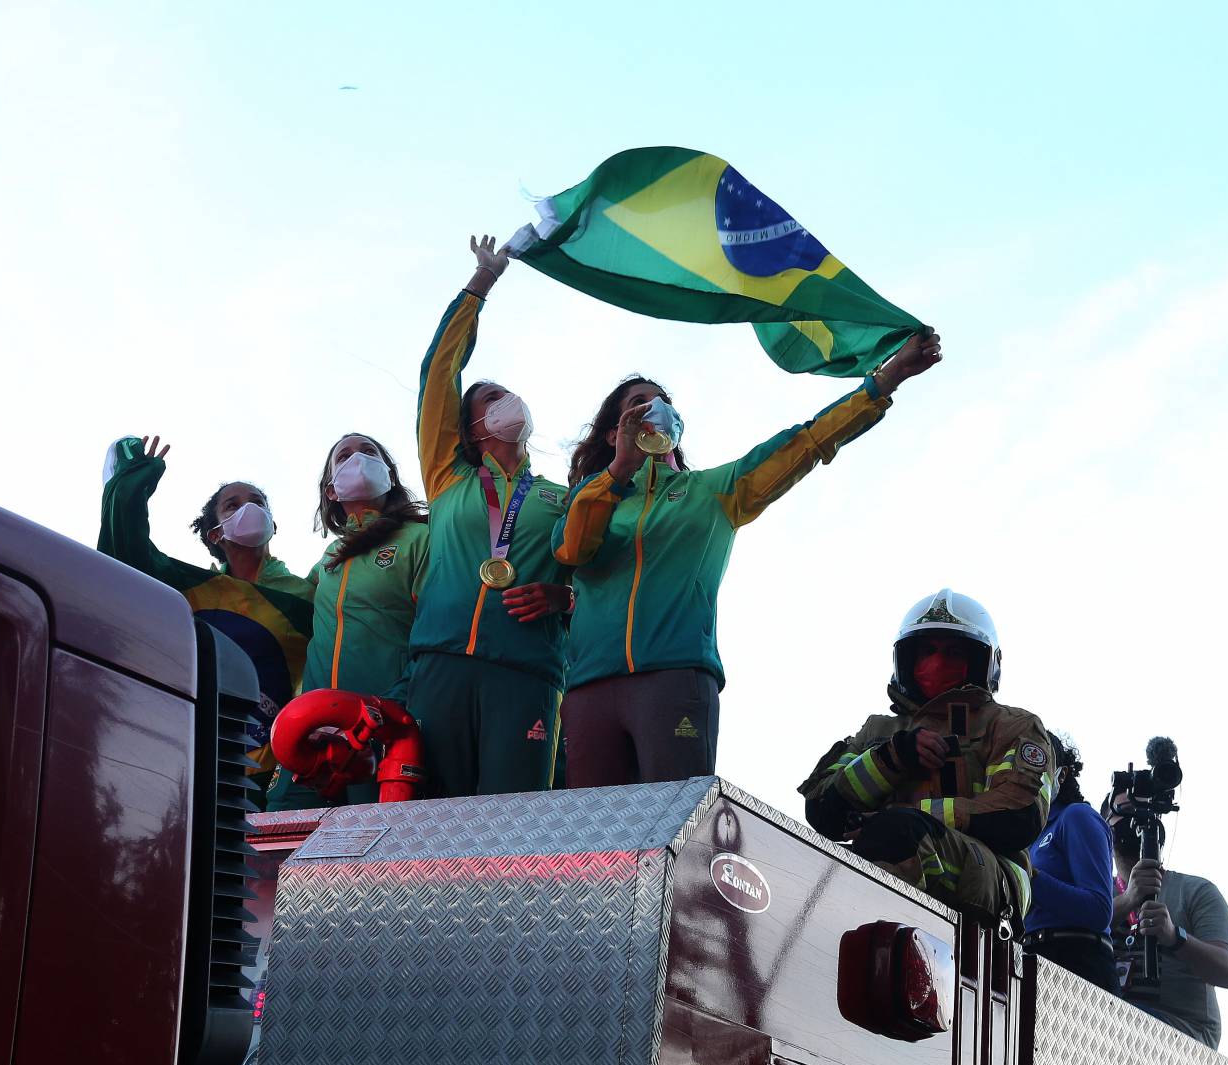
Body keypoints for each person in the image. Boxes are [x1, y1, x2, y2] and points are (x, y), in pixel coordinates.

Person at [553, 330, 942, 787]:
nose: (654, 408)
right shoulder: (592, 495)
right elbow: (572, 551)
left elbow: (808, 441)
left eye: (663, 402)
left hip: (674, 676)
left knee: (668, 830)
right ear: (614, 429)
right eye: (639, 403)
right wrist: (619, 471)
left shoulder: (716, 490)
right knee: (592, 844)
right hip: (589, 687)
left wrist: (887, 378)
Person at [400, 235, 574, 797]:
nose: (507, 402)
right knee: (428, 823)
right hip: (442, 664)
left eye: (508, 394)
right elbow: (438, 373)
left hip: (527, 673)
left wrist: (565, 599)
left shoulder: (561, 497)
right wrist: (481, 285)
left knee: (512, 826)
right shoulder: (448, 477)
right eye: (489, 398)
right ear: (471, 426)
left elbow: (603, 576)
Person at [799, 590, 1055, 922]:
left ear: (983, 662)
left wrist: (917, 814)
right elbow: (822, 809)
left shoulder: (1012, 726)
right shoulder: (877, 731)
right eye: (927, 652)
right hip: (888, 857)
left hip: (990, 880)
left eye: (953, 653)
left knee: (898, 833)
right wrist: (891, 758)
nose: (936, 664)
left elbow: (1018, 816)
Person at [98, 435, 314, 784]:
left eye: (257, 502)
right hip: (186, 756)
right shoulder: (188, 588)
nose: (249, 508)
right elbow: (125, 552)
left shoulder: (307, 596)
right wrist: (132, 480)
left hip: (274, 772)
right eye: (233, 505)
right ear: (214, 534)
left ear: (272, 524)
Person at [269, 433, 431, 809]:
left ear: (389, 476)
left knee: (373, 845)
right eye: (344, 456)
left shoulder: (420, 538)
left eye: (369, 452)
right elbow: (275, 600)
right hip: (312, 732)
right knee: (281, 843)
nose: (358, 458)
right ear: (331, 491)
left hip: (382, 725)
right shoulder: (328, 560)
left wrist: (395, 704)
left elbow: (435, 631)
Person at [1107, 788, 1228, 1047]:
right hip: (1112, 1020)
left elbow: (1226, 970)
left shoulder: (1195, 891)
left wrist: (1174, 937)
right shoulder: (1098, 896)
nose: (1134, 820)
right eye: (1123, 812)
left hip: (1183, 1033)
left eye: (1143, 811)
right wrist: (1128, 900)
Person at [1023, 732, 1118, 993]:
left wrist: (1027, 877)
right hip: (1033, 960)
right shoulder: (1029, 837)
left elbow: (1099, 911)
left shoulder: (1076, 816)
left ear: (1061, 775)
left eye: (1038, 764)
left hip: (1078, 965)